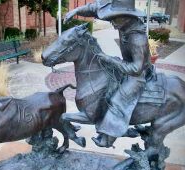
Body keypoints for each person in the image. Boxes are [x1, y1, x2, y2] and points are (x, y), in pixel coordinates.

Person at [64, 0, 153, 147]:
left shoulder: (137, 38)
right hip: (125, 67)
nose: (112, 22)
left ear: (127, 16)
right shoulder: (124, 23)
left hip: (137, 75)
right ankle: (116, 125)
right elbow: (95, 8)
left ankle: (108, 138)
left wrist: (111, 60)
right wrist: (76, 11)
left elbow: (137, 69)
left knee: (117, 100)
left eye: (115, 18)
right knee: (105, 88)